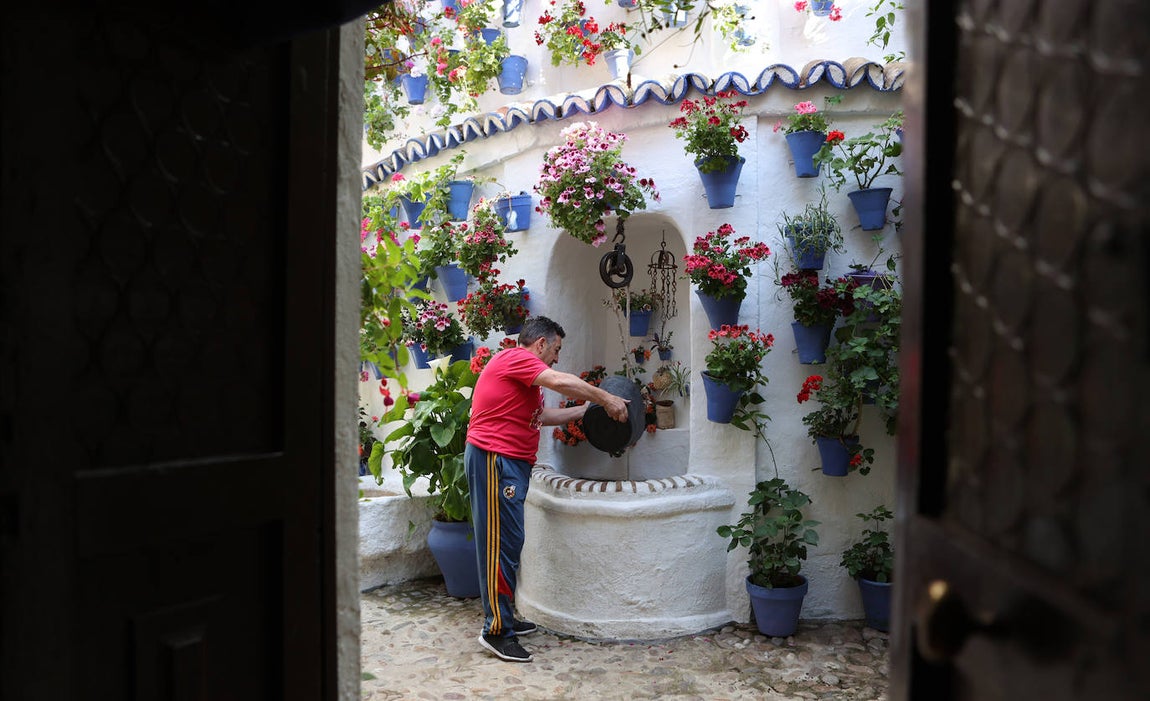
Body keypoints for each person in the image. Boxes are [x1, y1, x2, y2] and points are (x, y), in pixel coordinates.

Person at [465, 315, 629, 663]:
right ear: (540, 343)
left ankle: (503, 617)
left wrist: (588, 409)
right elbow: (560, 381)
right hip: (496, 460)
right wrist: (607, 398)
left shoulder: (524, 379)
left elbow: (541, 417)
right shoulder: (516, 358)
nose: (556, 357)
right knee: (499, 547)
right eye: (555, 349)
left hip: (508, 464)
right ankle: (496, 631)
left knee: (509, 542)